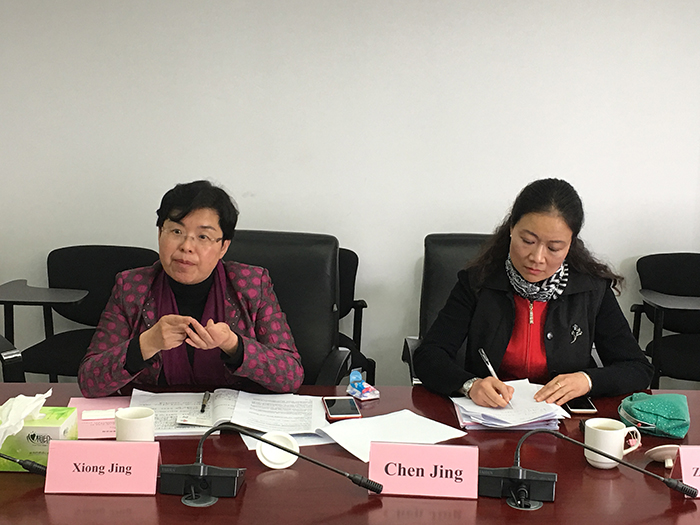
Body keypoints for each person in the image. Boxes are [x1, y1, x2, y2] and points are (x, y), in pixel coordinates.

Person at [413, 178, 653, 408]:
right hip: (491, 414)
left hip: (562, 420)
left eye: (554, 248)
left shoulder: (592, 290)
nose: (537, 258)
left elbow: (637, 368)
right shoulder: (477, 282)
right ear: (511, 229)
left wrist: (587, 380)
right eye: (527, 241)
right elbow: (429, 355)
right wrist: (470, 385)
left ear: (570, 244)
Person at [78, 180, 304, 397]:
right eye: (176, 232)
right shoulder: (131, 287)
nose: (186, 246)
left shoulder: (252, 284)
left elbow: (291, 375)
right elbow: (89, 382)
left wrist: (233, 345)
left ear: (223, 247)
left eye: (203, 236)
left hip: (231, 418)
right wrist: (146, 343)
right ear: (160, 233)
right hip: (152, 417)